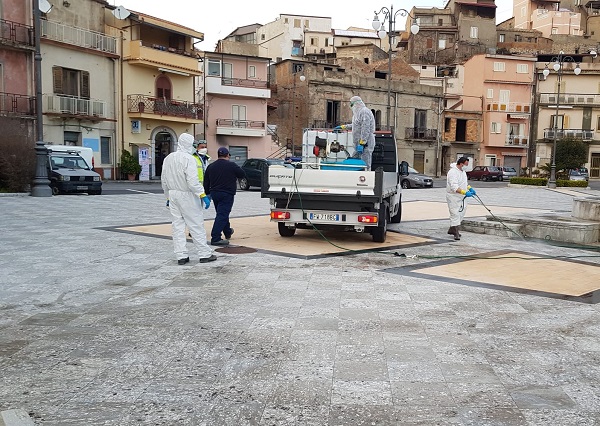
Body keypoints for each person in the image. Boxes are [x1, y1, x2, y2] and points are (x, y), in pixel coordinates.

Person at [161, 133, 217, 264]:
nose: (194, 147)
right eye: (193, 144)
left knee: (177, 226)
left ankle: (181, 255)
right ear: (188, 144)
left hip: (173, 195)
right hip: (188, 195)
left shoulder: (168, 158)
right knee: (196, 224)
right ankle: (204, 254)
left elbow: (163, 180)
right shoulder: (189, 159)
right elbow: (192, 181)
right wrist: (202, 194)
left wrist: (168, 196)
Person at [203, 147, 246, 246]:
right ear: (228, 155)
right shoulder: (231, 165)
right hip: (227, 193)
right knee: (222, 214)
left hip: (214, 193)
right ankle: (216, 237)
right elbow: (242, 174)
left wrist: (207, 193)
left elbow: (206, 181)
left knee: (221, 213)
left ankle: (227, 231)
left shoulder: (211, 166)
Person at [334, 96, 376, 170]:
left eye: (351, 104)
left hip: (366, 144)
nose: (351, 106)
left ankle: (366, 177)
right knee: (354, 162)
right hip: (359, 144)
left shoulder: (364, 112)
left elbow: (365, 128)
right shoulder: (357, 114)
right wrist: (343, 127)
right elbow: (355, 125)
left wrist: (363, 142)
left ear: (356, 104)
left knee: (365, 164)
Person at [446, 157, 476, 241]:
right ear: (461, 163)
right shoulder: (452, 172)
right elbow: (454, 186)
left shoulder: (463, 172)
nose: (467, 166)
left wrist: (470, 188)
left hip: (461, 196)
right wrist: (465, 192)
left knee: (461, 213)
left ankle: (452, 229)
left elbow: (464, 183)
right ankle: (456, 232)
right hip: (453, 196)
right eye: (466, 164)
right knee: (454, 213)